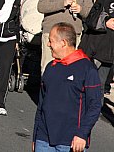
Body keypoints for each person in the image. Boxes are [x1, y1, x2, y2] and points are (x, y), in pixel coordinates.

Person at [33, 23, 102, 152]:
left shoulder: (87, 69)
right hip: (43, 138)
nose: (48, 45)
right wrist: (35, 137)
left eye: (51, 41)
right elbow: (41, 105)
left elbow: (95, 105)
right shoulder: (50, 67)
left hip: (70, 142)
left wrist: (82, 134)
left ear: (63, 43)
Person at [38, 0, 92, 73]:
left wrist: (80, 10)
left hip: (73, 35)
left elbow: (90, 13)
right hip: (52, 34)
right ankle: (48, 90)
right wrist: (62, 3)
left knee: (70, 69)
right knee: (48, 67)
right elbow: (41, 7)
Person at [79, 0, 114, 96]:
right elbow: (91, 19)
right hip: (95, 49)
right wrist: (105, 22)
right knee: (85, 83)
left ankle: (95, 111)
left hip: (109, 54)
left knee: (100, 87)